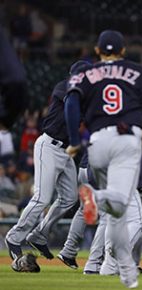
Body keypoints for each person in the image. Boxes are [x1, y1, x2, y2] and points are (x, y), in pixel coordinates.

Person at [64, 30, 142, 289]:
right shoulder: (137, 71)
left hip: (96, 144)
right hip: (126, 140)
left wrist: (74, 140)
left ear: (97, 51)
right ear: (123, 51)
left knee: (115, 214)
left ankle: (125, 272)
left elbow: (71, 102)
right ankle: (94, 198)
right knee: (119, 201)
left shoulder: (85, 73)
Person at [5, 61, 88, 269]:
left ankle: (40, 234)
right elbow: (73, 104)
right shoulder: (64, 85)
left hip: (67, 150)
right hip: (49, 145)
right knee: (42, 197)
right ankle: (14, 237)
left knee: (70, 198)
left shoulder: (86, 95)